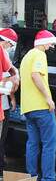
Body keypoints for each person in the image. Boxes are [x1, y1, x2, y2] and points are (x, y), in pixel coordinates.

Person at [20, 30, 56, 181]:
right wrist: (49, 98)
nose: (51, 47)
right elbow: (35, 75)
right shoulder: (39, 54)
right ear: (44, 42)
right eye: (51, 43)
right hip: (41, 107)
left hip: (28, 108)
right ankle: (48, 178)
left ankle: (31, 176)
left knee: (33, 144)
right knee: (50, 144)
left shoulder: (26, 56)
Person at [0, 28, 19, 180]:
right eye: (11, 46)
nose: (10, 49)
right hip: (2, 107)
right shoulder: (2, 52)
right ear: (7, 42)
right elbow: (9, 79)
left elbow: (11, 73)